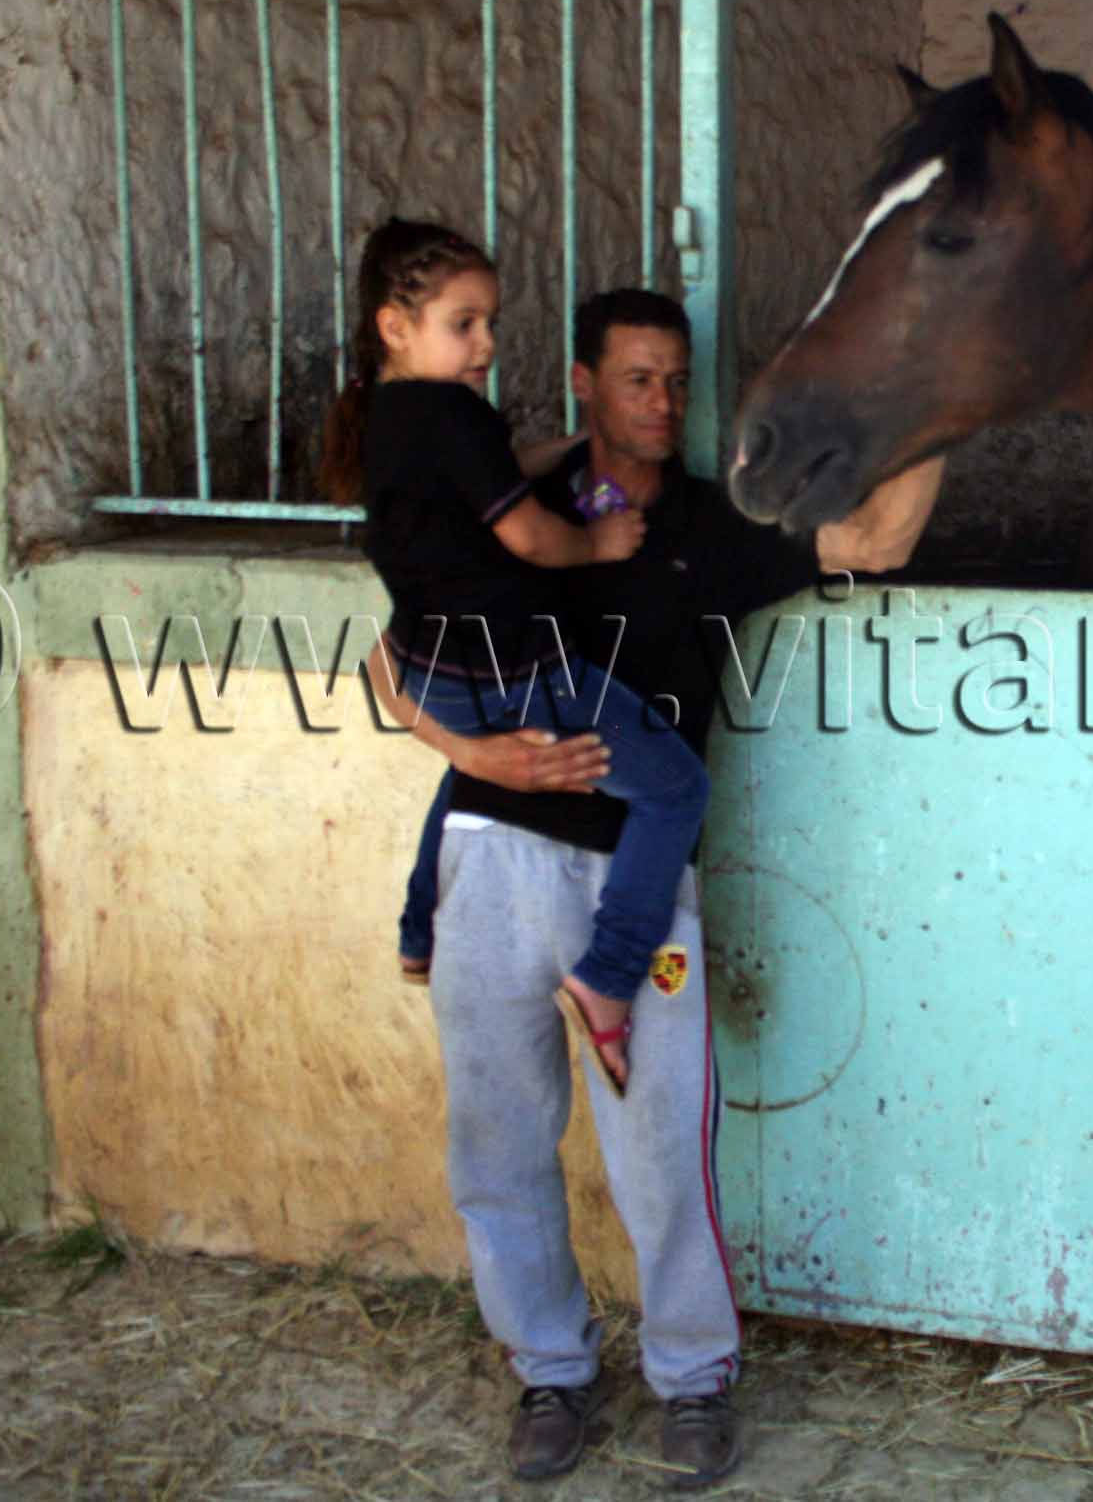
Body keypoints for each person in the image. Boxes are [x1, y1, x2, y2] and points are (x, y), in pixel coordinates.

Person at [379, 284, 941, 1487]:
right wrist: (472, 754)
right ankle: (550, 1373)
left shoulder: (713, 523)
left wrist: (942, 405)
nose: (662, 402)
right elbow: (388, 660)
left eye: (677, 381)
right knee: (496, 1144)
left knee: (658, 1157)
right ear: (582, 382)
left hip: (637, 884)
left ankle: (691, 1381)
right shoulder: (516, 505)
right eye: (636, 379)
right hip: (490, 851)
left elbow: (877, 539)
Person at [321, 220, 712, 1091]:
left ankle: (419, 926)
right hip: (520, 670)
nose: (487, 344)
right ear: (396, 326)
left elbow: (484, 472)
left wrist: (561, 451)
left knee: (471, 772)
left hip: (433, 668)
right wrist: (599, 541)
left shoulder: (384, 416)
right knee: (679, 787)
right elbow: (531, 537)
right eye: (465, 324)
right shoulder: (456, 413)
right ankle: (609, 978)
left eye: (490, 322)